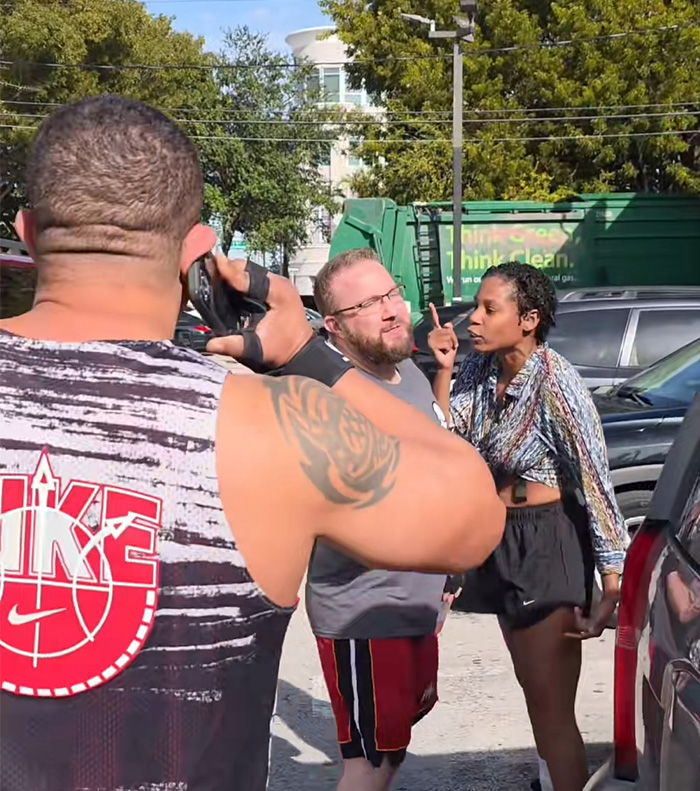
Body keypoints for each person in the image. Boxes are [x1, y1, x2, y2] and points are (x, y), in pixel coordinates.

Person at [0, 95, 505, 791]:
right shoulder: (271, 425)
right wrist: (306, 351)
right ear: (199, 255)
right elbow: (475, 512)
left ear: (26, 233)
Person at [428, 262, 628, 791]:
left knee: (551, 708)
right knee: (531, 690)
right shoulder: (479, 369)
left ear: (528, 319)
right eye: (476, 305)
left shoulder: (557, 382)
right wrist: (445, 370)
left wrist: (613, 580)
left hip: (548, 540)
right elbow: (449, 442)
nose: (474, 318)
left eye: (489, 309)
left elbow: (595, 478)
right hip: (501, 539)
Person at [308, 248, 459, 791]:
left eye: (393, 293)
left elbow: (433, 451)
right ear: (335, 327)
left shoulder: (408, 375)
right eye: (371, 304)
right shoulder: (328, 397)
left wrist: (446, 574)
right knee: (368, 766)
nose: (393, 309)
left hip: (416, 603)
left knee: (391, 754)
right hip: (364, 615)